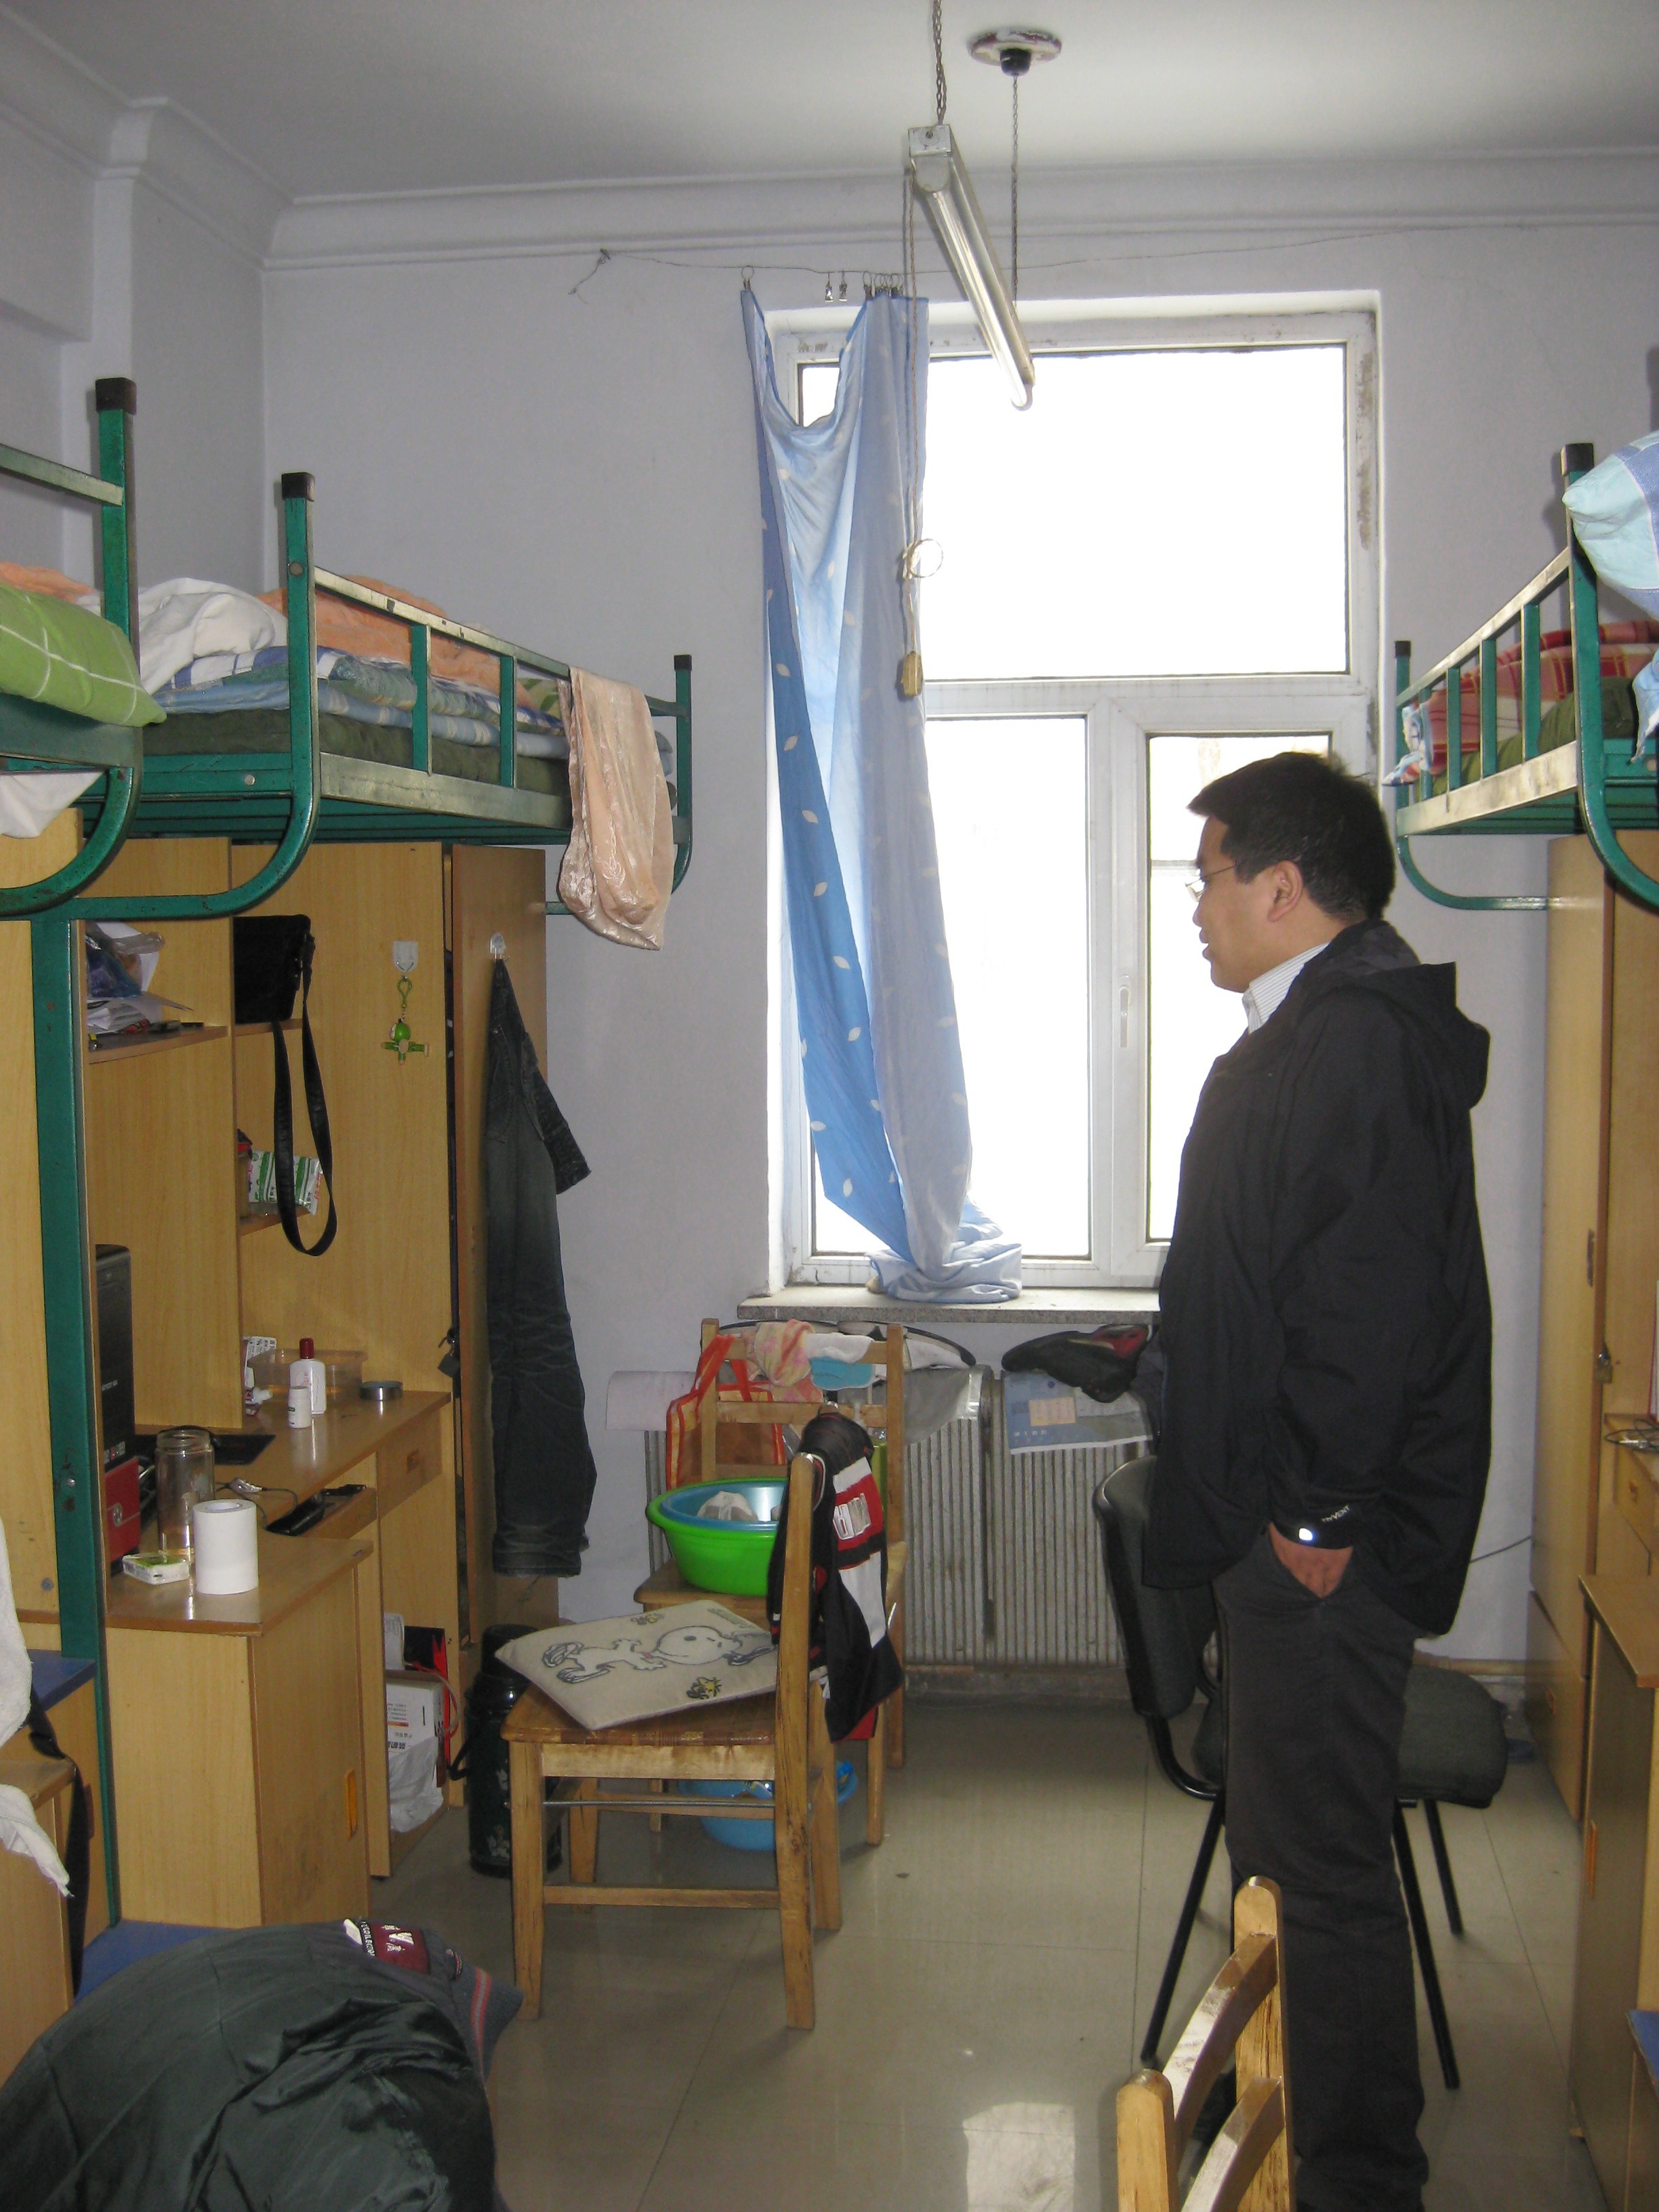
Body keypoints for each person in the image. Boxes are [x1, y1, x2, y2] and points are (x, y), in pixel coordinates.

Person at [1144, 751, 1492, 2212]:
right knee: (1289, 1847)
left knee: (1320, 1868)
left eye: (1210, 878)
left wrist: (1316, 1517)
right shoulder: (1319, 1028)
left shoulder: (1349, 1042)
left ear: (1282, 888)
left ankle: (1352, 2177)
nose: (1197, 907)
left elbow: (1366, 1305)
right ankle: (1285, 2105)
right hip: (1290, 1520)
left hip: (1318, 1546)